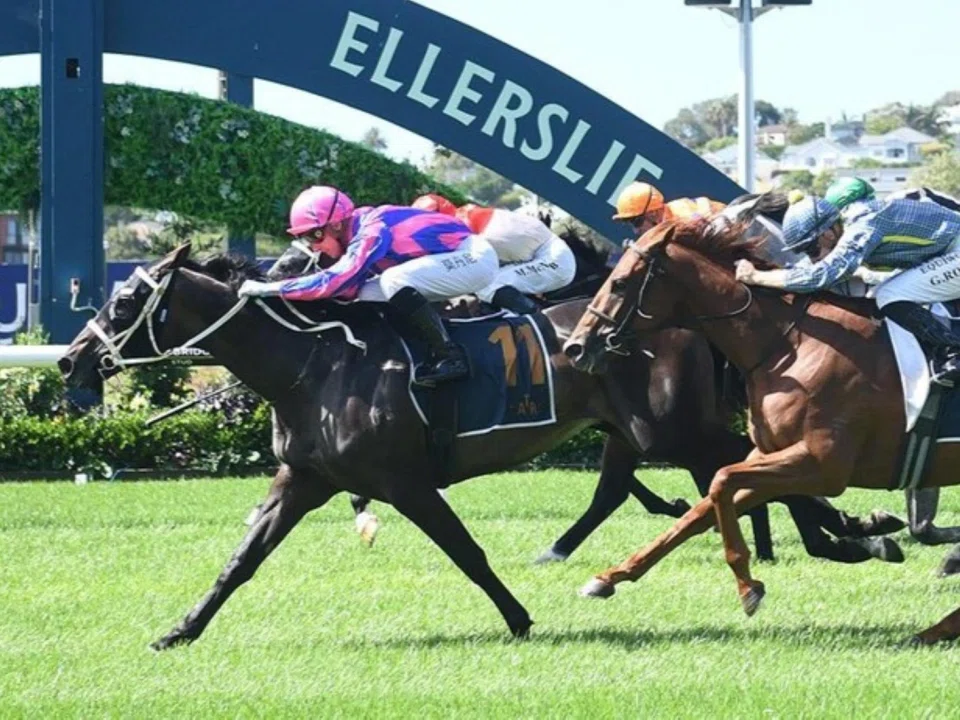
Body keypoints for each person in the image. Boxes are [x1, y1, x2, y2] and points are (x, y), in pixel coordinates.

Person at [238, 185, 499, 387]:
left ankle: (450, 356)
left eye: (314, 235)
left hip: (474, 257)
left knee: (392, 281)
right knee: (361, 293)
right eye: (304, 238)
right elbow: (348, 290)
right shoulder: (357, 233)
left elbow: (333, 282)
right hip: (451, 261)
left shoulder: (372, 231)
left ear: (337, 224)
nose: (313, 245)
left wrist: (268, 288)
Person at [734, 195, 960, 384]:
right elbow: (810, 269)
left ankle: (953, 351)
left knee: (889, 295)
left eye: (812, 249)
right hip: (949, 252)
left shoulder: (863, 224)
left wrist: (757, 277)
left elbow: (822, 275)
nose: (813, 258)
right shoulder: (846, 226)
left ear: (828, 233)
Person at [412, 194, 576, 314]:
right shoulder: (466, 215)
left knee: (487, 285)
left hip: (554, 259)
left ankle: (538, 321)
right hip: (539, 257)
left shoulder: (462, 228)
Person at [611, 181, 725, 238]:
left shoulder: (685, 218)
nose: (636, 231)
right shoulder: (665, 227)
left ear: (653, 214)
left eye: (636, 222)